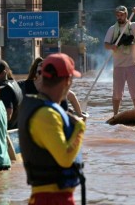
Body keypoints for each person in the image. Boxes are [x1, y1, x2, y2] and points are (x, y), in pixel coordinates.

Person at [18, 53, 86, 205]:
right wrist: (80, 128)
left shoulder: (42, 108)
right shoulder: (47, 115)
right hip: (51, 198)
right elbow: (65, 159)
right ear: (67, 81)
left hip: (51, 197)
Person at [104, 5, 135, 115]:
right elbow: (106, 44)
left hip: (132, 64)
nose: (120, 17)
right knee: (117, 92)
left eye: (122, 15)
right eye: (118, 15)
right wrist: (111, 46)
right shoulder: (112, 29)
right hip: (118, 65)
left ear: (126, 15)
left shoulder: (133, 26)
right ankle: (115, 115)